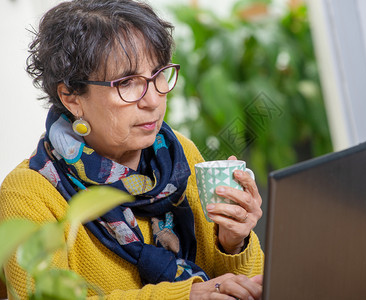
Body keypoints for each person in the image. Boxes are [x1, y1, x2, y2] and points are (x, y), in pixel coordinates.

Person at [0, 0, 264, 299]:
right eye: (127, 83)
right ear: (72, 96)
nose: (152, 100)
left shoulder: (178, 155)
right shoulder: (30, 192)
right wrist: (185, 295)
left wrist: (233, 242)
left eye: (159, 74)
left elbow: (245, 287)